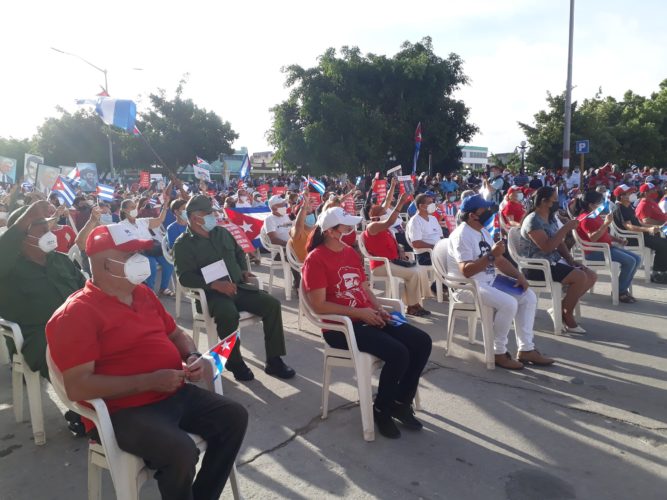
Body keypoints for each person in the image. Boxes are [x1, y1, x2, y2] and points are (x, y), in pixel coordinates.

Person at [46, 223, 248, 500]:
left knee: (234, 417)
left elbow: (177, 335)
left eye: (140, 252)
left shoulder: (143, 293)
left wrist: (190, 355)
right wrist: (149, 381)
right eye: (131, 255)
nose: (141, 260)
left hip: (174, 393)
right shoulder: (75, 314)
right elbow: (78, 387)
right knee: (180, 452)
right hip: (126, 411)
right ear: (106, 265)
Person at [302, 207, 432, 438]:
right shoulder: (316, 259)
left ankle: (401, 403)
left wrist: (378, 308)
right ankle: (381, 409)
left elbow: (363, 288)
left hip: (366, 316)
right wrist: (360, 313)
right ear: (332, 232)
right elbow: (318, 306)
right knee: (399, 353)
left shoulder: (350, 253)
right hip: (341, 327)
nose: (352, 230)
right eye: (346, 226)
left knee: (421, 342)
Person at [173, 195, 295, 382]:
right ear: (195, 217)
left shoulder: (222, 233)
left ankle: (274, 360)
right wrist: (214, 285)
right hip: (212, 296)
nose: (214, 216)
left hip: (238, 287)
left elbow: (239, 253)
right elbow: (185, 277)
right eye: (209, 213)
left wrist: (244, 271)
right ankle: (235, 362)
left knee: (271, 304)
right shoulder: (183, 244)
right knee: (228, 314)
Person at [434, 194, 555, 370]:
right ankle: (498, 352)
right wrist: (491, 254)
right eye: (484, 209)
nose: (489, 212)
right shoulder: (461, 235)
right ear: (472, 215)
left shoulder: (482, 231)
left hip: (488, 282)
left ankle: (526, 349)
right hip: (468, 288)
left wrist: (518, 276)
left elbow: (499, 261)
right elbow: (467, 271)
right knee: (509, 303)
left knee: (528, 296)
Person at [0, 201, 86, 379]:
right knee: (85, 370)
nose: (50, 235)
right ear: (22, 237)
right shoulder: (8, 269)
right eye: (43, 231)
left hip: (80, 327)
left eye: (49, 229)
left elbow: (87, 290)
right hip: (41, 338)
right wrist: (28, 217)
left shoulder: (61, 260)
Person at [519, 187, 597, 333]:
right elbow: (547, 247)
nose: (558, 202)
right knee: (580, 277)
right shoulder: (533, 221)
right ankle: (567, 315)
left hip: (552, 261)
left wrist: (570, 259)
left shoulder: (549, 217)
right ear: (544, 201)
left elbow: (559, 242)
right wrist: (565, 228)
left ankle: (559, 309)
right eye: (554, 199)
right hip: (537, 266)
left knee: (591, 276)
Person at [364, 195, 430, 317]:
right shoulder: (372, 226)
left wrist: (400, 249)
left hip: (392, 262)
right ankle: (412, 306)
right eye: (385, 212)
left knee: (418, 270)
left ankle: (413, 304)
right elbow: (390, 221)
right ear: (377, 216)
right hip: (381, 266)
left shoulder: (385, 229)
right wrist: (400, 202)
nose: (388, 214)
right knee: (413, 273)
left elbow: (393, 241)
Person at [575, 190, 641, 303]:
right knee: (630, 261)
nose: (602, 204)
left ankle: (621, 288)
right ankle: (620, 291)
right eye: (599, 202)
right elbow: (593, 238)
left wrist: (617, 239)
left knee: (637, 259)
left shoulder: (594, 215)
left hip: (606, 248)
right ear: (591, 205)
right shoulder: (586, 218)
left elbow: (604, 234)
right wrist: (606, 223)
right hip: (595, 252)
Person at [119, 190, 175, 297]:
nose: (134, 209)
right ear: (124, 210)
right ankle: (150, 291)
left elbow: (159, 220)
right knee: (151, 264)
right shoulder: (121, 225)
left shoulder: (142, 221)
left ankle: (163, 288)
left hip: (152, 248)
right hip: (137, 252)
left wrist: (165, 205)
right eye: (131, 207)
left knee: (168, 264)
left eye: (135, 207)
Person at [612, 184, 667, 284]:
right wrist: (648, 230)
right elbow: (629, 227)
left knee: (664, 242)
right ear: (622, 196)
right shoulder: (620, 208)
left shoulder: (627, 206)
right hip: (633, 238)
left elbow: (638, 222)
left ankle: (661, 271)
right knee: (663, 244)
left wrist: (651, 227)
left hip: (639, 235)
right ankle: (657, 274)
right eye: (630, 193)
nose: (633, 194)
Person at [406, 193, 442, 265]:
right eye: (429, 203)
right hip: (426, 255)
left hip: (438, 252)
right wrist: (434, 247)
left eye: (432, 202)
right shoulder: (415, 221)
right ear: (421, 206)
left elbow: (440, 236)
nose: (433, 205)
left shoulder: (433, 218)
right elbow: (416, 243)